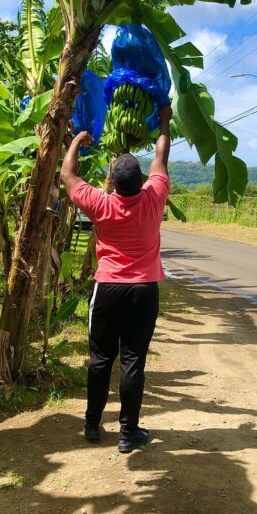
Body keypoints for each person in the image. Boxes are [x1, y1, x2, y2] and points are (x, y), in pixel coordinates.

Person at [60, 104, 172, 454]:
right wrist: (164, 121)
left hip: (107, 289)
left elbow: (68, 176)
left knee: (100, 359)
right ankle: (128, 432)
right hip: (143, 291)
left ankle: (93, 425)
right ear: (141, 182)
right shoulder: (154, 198)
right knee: (133, 360)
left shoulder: (100, 203)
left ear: (111, 182)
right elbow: (160, 156)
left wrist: (77, 140)